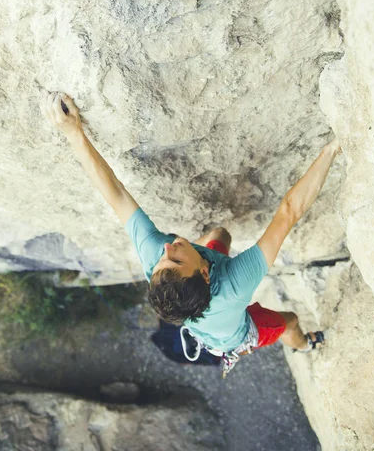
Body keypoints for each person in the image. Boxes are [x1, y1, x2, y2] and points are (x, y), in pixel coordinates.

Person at [43, 91, 342, 376]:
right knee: (289, 321)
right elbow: (289, 211)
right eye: (175, 259)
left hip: (209, 315)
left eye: (162, 261)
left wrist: (74, 133)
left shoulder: (156, 260)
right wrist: (332, 149)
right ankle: (303, 345)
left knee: (219, 234)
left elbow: (116, 195)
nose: (168, 248)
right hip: (236, 336)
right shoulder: (235, 284)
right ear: (205, 273)